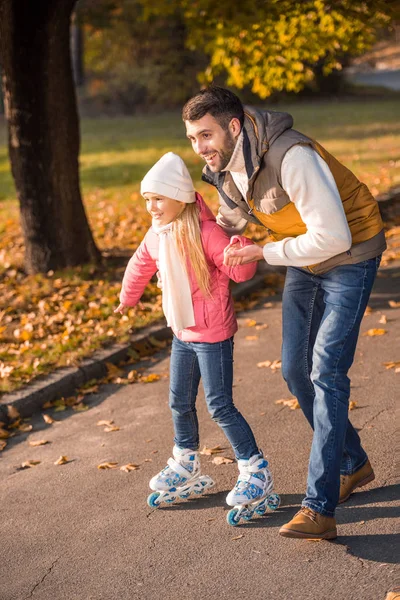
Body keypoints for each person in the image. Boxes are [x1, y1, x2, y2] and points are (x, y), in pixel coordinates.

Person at [182, 86, 386, 540]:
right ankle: (353, 463)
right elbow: (229, 222)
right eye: (193, 138)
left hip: (350, 253)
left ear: (233, 127)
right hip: (303, 258)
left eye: (206, 135)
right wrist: (184, 238)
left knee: (326, 372)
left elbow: (333, 235)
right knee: (295, 371)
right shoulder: (225, 167)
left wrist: (265, 250)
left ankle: (319, 509)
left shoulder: (292, 156)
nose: (200, 148)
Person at [115, 152, 280, 523]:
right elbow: (140, 264)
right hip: (182, 333)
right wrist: (127, 298)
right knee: (178, 400)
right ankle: (185, 461)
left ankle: (255, 469)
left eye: (158, 199)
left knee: (219, 405)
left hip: (213, 334)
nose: (151, 207)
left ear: (179, 197)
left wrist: (243, 252)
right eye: (147, 200)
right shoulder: (158, 234)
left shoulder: (206, 233)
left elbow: (238, 272)